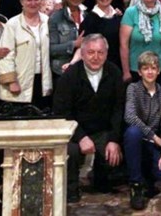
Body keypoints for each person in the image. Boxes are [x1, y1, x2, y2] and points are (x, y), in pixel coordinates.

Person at [53, 34, 125, 203]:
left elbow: (118, 108)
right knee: (70, 151)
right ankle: (71, 189)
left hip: (102, 130)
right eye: (91, 52)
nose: (95, 57)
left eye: (100, 52)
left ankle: (100, 181)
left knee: (113, 153)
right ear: (83, 53)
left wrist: (114, 140)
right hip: (75, 131)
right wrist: (81, 137)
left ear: (106, 54)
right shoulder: (69, 76)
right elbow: (62, 112)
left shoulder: (114, 72)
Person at [124, 51, 161, 210]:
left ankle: (148, 177)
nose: (150, 72)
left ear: (159, 70)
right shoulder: (133, 88)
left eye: (153, 68)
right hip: (136, 141)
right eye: (146, 68)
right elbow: (130, 117)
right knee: (133, 132)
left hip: (153, 145)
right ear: (139, 72)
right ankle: (136, 185)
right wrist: (153, 136)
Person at [0, 0, 52, 110]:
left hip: (43, 80)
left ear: (41, 1)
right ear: (22, 2)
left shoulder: (47, 21)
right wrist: (11, 81)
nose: (33, 3)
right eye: (29, 0)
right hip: (21, 80)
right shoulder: (12, 24)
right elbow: (6, 55)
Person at [48, 0, 86, 85]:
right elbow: (51, 49)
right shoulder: (56, 17)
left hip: (84, 70)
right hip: (61, 72)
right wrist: (74, 44)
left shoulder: (87, 14)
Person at [80, 0, 123, 69]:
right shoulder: (89, 20)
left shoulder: (118, 16)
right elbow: (84, 47)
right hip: (98, 67)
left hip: (117, 67)